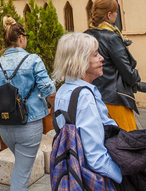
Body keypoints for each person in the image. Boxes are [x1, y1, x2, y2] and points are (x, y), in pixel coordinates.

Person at [0, 16, 56, 191]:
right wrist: (54, 110)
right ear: (21, 38)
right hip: (29, 125)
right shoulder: (33, 60)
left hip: (5, 127)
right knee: (21, 177)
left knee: (21, 168)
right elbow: (49, 91)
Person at [53, 32, 122, 184]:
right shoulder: (84, 97)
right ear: (81, 61)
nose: (101, 58)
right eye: (96, 54)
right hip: (94, 179)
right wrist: (123, 175)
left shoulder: (63, 91)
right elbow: (96, 158)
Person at [84, 0, 140, 131]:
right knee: (125, 144)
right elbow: (128, 73)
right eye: (115, 11)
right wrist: (135, 74)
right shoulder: (112, 37)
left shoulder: (85, 35)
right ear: (109, 15)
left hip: (91, 97)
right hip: (114, 100)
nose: (116, 14)